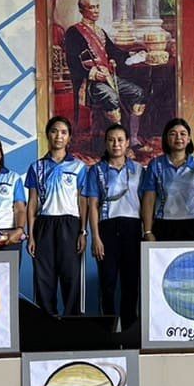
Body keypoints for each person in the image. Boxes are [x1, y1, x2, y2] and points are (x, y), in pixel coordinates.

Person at [62, 0, 147, 145]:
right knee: (111, 98)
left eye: (97, 6)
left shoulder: (100, 31)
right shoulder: (73, 32)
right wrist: (93, 74)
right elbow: (72, 62)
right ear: (82, 10)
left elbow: (114, 52)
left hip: (108, 78)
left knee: (138, 92)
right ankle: (118, 142)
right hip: (89, 83)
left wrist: (132, 54)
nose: (96, 10)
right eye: (91, 7)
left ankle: (133, 138)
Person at [82, 124, 144, 329]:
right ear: (106, 143)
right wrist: (95, 237)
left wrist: (146, 231)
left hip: (132, 228)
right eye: (111, 140)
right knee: (107, 283)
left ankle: (129, 332)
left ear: (127, 143)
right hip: (107, 229)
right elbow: (92, 205)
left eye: (120, 140)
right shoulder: (97, 170)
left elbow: (146, 202)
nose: (116, 144)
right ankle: (108, 332)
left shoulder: (138, 170)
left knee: (131, 284)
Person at [26, 116, 87, 315]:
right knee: (44, 277)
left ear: (69, 137)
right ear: (47, 135)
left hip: (70, 224)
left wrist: (83, 232)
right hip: (44, 224)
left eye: (63, 132)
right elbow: (32, 202)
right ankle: (47, 321)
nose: (58, 136)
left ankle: (72, 321)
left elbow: (83, 201)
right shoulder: (36, 167)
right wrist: (31, 235)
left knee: (71, 275)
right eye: (54, 131)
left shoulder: (78, 167)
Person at [140, 118, 194, 243]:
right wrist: (148, 231)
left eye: (183, 134)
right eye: (173, 134)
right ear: (166, 138)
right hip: (164, 225)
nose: (178, 138)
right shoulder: (156, 165)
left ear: (189, 139)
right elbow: (149, 200)